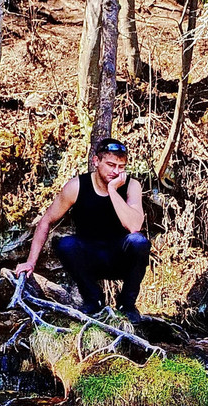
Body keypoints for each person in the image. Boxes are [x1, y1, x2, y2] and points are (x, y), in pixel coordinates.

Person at [15, 137, 150, 323]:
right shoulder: (77, 186)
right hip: (90, 257)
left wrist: (112, 191)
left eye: (121, 166)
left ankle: (127, 305)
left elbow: (134, 226)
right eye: (110, 165)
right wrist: (30, 262)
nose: (116, 171)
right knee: (66, 244)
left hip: (120, 258)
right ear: (96, 161)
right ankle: (92, 300)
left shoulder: (131, 185)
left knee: (139, 242)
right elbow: (46, 221)